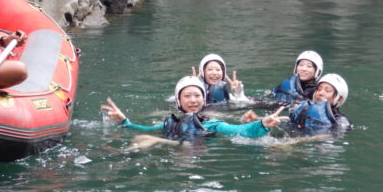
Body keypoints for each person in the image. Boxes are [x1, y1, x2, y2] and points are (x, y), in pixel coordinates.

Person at [102, 76, 286, 142]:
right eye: (187, 96)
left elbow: (240, 131)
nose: (193, 100)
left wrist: (262, 124)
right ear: (179, 101)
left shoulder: (213, 124)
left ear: (203, 100)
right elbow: (145, 130)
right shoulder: (170, 123)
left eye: (197, 96)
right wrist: (124, 122)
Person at [285, 73, 352, 135]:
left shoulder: (341, 122)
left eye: (327, 91)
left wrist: (297, 141)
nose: (320, 93)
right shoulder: (304, 108)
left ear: (339, 99)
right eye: (319, 89)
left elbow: (331, 135)